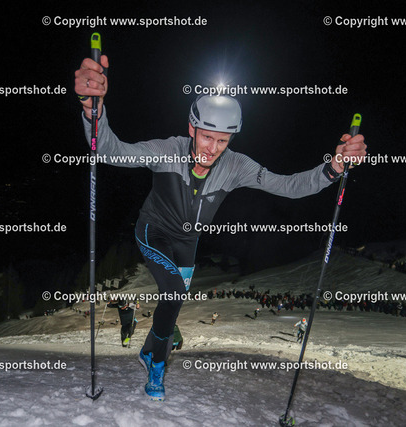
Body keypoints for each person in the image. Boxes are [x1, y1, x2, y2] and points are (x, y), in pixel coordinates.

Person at [74, 55, 367, 401]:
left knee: (173, 304)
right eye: (206, 137)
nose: (212, 149)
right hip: (154, 232)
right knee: (174, 293)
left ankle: (150, 351)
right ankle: (158, 364)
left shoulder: (236, 166)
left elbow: (288, 186)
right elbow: (112, 151)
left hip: (187, 243)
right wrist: (92, 110)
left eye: (223, 141)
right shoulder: (167, 150)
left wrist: (333, 168)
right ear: (192, 129)